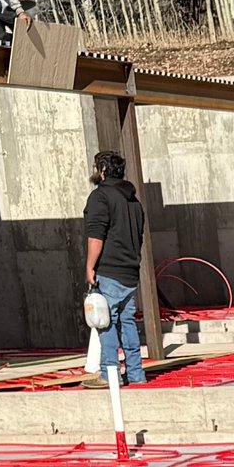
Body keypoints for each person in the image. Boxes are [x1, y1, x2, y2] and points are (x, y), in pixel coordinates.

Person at [83, 150, 148, 386]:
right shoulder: (133, 201)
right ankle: (136, 373)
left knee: (105, 321)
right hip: (129, 271)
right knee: (127, 322)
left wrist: (90, 267)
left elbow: (96, 236)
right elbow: (138, 236)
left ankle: (108, 373)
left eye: (94, 168)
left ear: (101, 170)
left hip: (109, 271)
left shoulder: (100, 197)